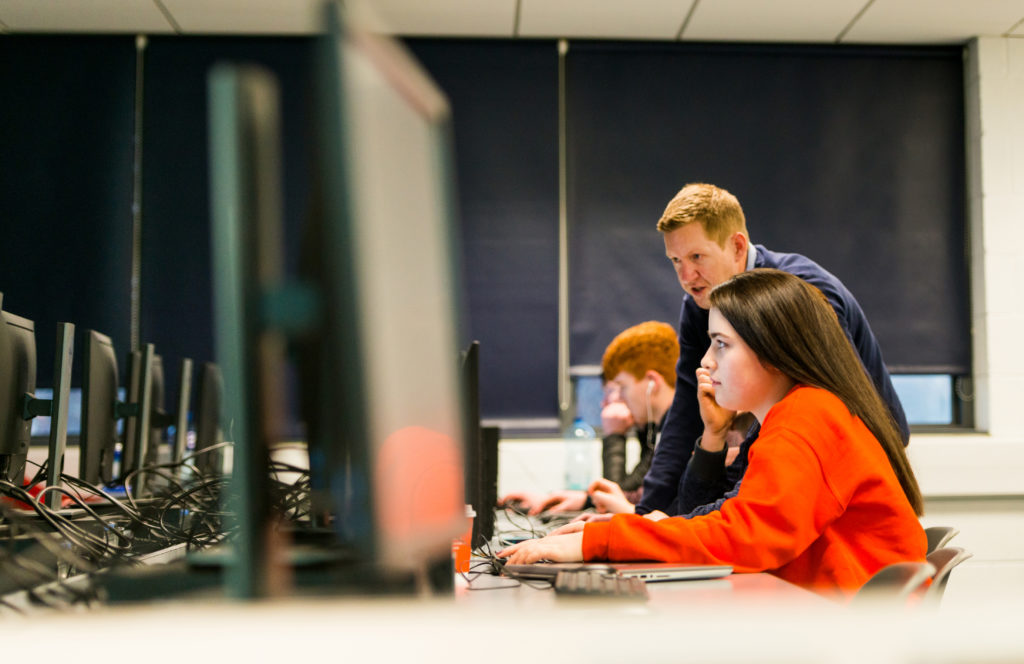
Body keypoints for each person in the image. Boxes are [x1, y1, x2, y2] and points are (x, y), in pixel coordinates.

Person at [499, 269, 927, 600]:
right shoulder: (793, 415)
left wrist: (603, 540)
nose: (705, 362)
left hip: (847, 631)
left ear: (773, 352)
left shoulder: (806, 418)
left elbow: (743, 539)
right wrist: (646, 527)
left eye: (721, 344)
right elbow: (730, 521)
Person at [636, 183, 909, 519]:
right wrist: (645, 514)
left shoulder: (798, 297)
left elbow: (831, 414)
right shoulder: (701, 303)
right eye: (675, 260)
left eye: (696, 257)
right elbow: (687, 411)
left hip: (854, 477)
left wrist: (654, 531)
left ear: (737, 247)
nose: (686, 275)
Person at [497, 321, 680, 515]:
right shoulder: (656, 431)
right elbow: (637, 497)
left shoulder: (678, 433)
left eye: (622, 387)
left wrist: (614, 436)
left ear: (652, 383)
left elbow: (629, 500)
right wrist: (585, 500)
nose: (620, 398)